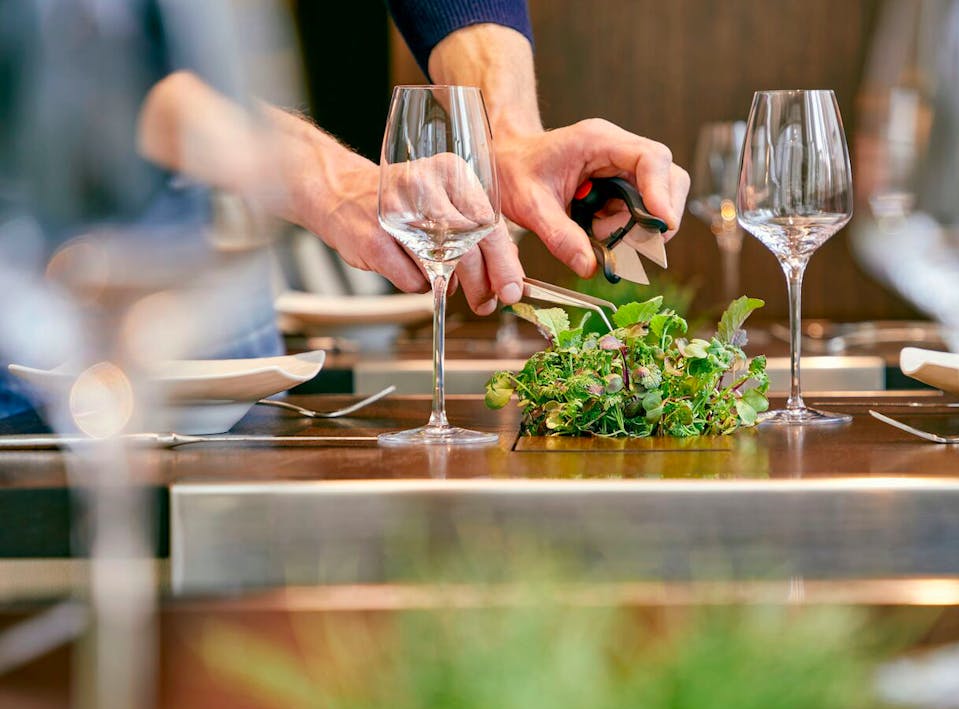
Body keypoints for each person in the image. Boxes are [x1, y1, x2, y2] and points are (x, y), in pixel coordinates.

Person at [0, 0, 689, 420]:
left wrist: (503, 134)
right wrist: (327, 179)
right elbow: (80, 74)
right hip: (29, 343)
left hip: (222, 371)